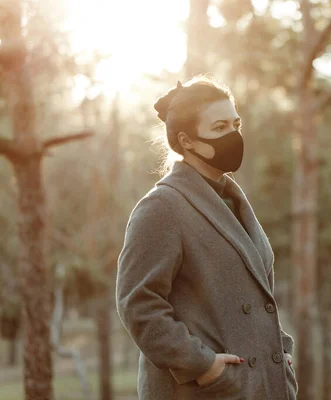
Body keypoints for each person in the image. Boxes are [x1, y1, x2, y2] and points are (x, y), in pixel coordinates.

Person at [116, 76, 298, 400]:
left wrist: (279, 350)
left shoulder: (232, 200)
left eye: (235, 124)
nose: (233, 136)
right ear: (187, 141)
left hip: (262, 387)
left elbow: (254, 297)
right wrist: (201, 363)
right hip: (207, 390)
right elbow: (138, 304)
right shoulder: (161, 207)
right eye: (219, 128)